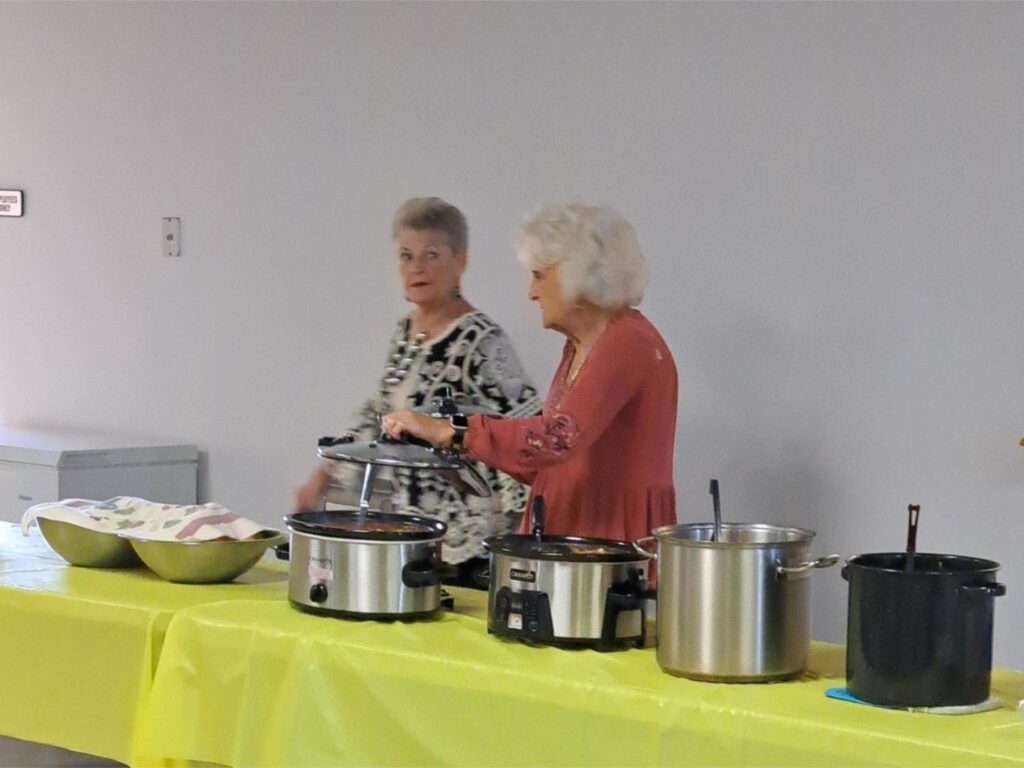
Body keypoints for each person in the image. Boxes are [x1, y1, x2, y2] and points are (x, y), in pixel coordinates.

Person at [381, 203, 677, 542]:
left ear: (575, 275)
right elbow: (549, 467)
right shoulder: (582, 346)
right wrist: (458, 443)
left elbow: (556, 440)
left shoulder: (626, 341)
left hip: (606, 549)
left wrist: (454, 430)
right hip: (575, 543)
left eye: (539, 276)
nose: (531, 292)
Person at [294, 197, 541, 587]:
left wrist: (518, 538)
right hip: (414, 529)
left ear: (460, 260)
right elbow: (380, 413)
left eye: (431, 255)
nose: (417, 268)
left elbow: (527, 428)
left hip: (470, 543)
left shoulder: (481, 340)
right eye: (406, 256)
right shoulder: (405, 333)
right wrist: (322, 475)